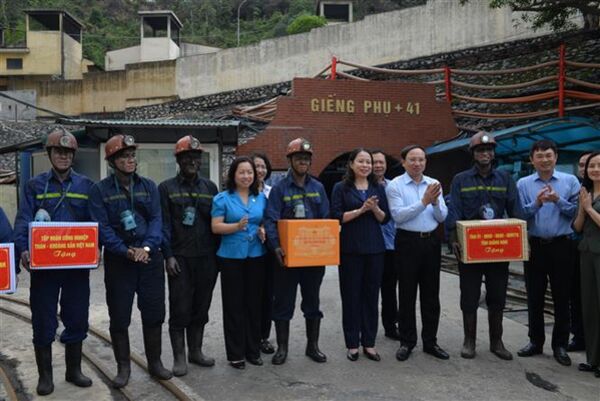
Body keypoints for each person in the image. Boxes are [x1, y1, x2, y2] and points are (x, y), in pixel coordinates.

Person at [13, 128, 94, 396]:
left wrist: (96, 248)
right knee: (43, 319)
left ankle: (74, 370)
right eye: (59, 151)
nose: (63, 156)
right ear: (49, 153)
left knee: (77, 317)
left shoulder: (86, 186)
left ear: (73, 155)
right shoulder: (34, 186)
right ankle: (45, 376)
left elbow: (95, 221)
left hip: (76, 268)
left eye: (68, 152)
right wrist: (24, 249)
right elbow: (23, 220)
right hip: (44, 269)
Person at [89, 134, 171, 387]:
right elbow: (102, 227)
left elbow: (157, 220)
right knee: (119, 316)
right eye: (124, 156)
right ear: (112, 161)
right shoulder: (100, 191)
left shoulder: (149, 186)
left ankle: (155, 363)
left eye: (132, 155)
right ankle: (123, 368)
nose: (130, 160)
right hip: (120, 262)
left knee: (154, 313)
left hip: (149, 260)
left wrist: (147, 247)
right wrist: (125, 250)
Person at [447, 131, 523, 361]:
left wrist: (520, 238)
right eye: (480, 150)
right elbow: (454, 210)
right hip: (470, 250)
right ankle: (469, 341)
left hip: (498, 249)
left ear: (493, 153)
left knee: (497, 296)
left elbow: (516, 211)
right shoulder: (460, 179)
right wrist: (453, 238)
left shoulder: (505, 179)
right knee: (469, 296)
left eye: (489, 150)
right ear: (473, 154)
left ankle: (496, 341)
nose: (485, 154)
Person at [264, 138, 330, 365]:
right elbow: (270, 220)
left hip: (313, 257)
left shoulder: (318, 188)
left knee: (312, 303)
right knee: (283, 303)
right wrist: (276, 247)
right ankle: (282, 348)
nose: (303, 161)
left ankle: (313, 347)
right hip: (287, 258)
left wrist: (325, 248)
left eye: (306, 158)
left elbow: (326, 220)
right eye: (298, 157)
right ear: (290, 160)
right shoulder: (279, 189)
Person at [159, 136, 219, 376]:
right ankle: (179, 357)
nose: (192, 161)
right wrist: (168, 256)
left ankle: (196, 351)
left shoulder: (210, 188)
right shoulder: (166, 188)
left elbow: (216, 223)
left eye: (196, 157)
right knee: (180, 308)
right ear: (178, 160)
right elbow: (163, 225)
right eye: (187, 157)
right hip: (180, 258)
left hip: (207, 258)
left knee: (201, 307)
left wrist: (218, 259)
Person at [516, 140, 580, 367]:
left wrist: (557, 200)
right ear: (532, 160)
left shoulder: (570, 181)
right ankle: (535, 341)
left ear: (556, 157)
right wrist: (536, 203)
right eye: (539, 156)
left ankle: (560, 345)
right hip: (535, 246)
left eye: (548, 155)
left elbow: (577, 213)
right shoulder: (523, 184)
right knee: (534, 296)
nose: (544, 160)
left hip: (562, 245)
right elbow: (519, 214)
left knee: (562, 297)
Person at [387, 145, 449, 362]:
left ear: (425, 162)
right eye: (412, 159)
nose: (417, 163)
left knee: (431, 295)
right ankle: (407, 341)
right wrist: (424, 202)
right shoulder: (395, 185)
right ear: (403, 162)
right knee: (407, 294)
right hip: (407, 242)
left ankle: (430, 342)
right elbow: (398, 216)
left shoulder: (434, 184)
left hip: (431, 242)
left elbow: (441, 217)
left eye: (421, 159)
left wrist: (435, 202)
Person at [331, 148, 390, 361]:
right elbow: (336, 216)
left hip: (375, 249)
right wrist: (361, 210)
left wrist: (374, 209)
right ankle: (352, 344)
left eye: (368, 162)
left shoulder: (378, 188)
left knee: (371, 297)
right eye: (361, 161)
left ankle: (369, 343)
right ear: (351, 164)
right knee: (351, 297)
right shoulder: (341, 188)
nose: (366, 165)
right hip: (350, 250)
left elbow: (385, 218)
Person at [211, 156, 267, 369]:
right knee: (234, 305)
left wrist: (262, 229)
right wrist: (235, 226)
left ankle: (253, 350)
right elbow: (216, 227)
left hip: (256, 255)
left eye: (250, 172)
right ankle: (236, 353)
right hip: (231, 257)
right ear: (233, 175)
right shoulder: (222, 198)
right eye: (242, 172)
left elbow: (263, 221)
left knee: (254, 304)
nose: (246, 176)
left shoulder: (260, 198)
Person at [573, 151, 600, 378]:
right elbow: (578, 227)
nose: (595, 170)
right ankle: (593, 359)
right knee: (590, 307)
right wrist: (583, 209)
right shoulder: (585, 193)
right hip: (587, 254)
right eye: (592, 166)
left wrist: (590, 208)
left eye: (599, 166)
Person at [372, 150, 400, 340]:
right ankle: (368, 329)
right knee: (370, 290)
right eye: (374, 162)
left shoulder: (393, 187)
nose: (378, 166)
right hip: (371, 245)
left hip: (392, 245)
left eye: (381, 162)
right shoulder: (363, 186)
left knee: (390, 290)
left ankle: (391, 326)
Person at [252, 153, 276, 354]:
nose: (260, 170)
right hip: (250, 250)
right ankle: (250, 336)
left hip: (270, 250)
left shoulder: (272, 192)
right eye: (256, 166)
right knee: (252, 294)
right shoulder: (243, 192)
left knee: (268, 295)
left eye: (263, 166)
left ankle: (263, 337)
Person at [568, 151, 592, 352]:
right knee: (577, 295)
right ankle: (580, 337)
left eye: (592, 165)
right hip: (579, 249)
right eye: (583, 165)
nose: (587, 169)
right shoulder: (580, 190)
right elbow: (576, 226)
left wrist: (588, 208)